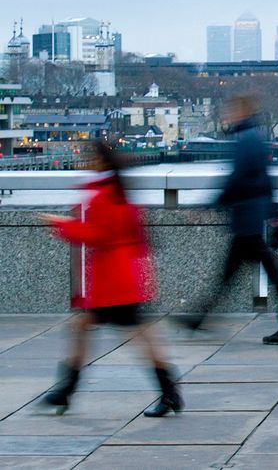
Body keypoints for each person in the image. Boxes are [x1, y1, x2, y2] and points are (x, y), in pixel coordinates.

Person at [40, 141, 183, 417]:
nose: (86, 162)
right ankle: (66, 390)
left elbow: (97, 234)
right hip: (122, 277)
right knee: (101, 329)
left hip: (114, 281)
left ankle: (168, 392)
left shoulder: (103, 196)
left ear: (102, 162)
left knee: (133, 335)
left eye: (90, 157)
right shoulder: (119, 192)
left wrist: (60, 225)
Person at [175, 94, 278, 344]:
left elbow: (237, 178)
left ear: (241, 111)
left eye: (230, 110)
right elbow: (265, 180)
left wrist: (209, 205)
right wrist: (275, 214)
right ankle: (199, 317)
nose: (227, 115)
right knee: (235, 273)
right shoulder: (255, 137)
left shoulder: (246, 140)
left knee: (256, 274)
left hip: (247, 219)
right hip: (252, 218)